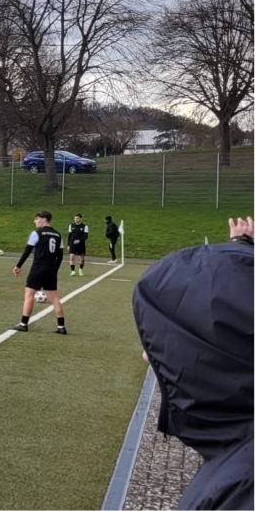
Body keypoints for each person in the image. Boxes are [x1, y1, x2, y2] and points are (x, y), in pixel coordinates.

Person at [131, 217, 252, 510]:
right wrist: (243, 249)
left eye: (164, 346)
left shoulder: (240, 486)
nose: (149, 356)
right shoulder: (237, 452)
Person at [10, 210, 67, 334]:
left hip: (38, 268)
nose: (34, 221)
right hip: (51, 269)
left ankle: (23, 324)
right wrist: (55, 270)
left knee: (29, 293)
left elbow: (27, 251)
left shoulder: (37, 233)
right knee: (54, 297)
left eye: (36, 219)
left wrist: (18, 266)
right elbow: (60, 256)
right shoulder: (58, 235)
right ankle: (61, 327)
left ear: (43, 219)